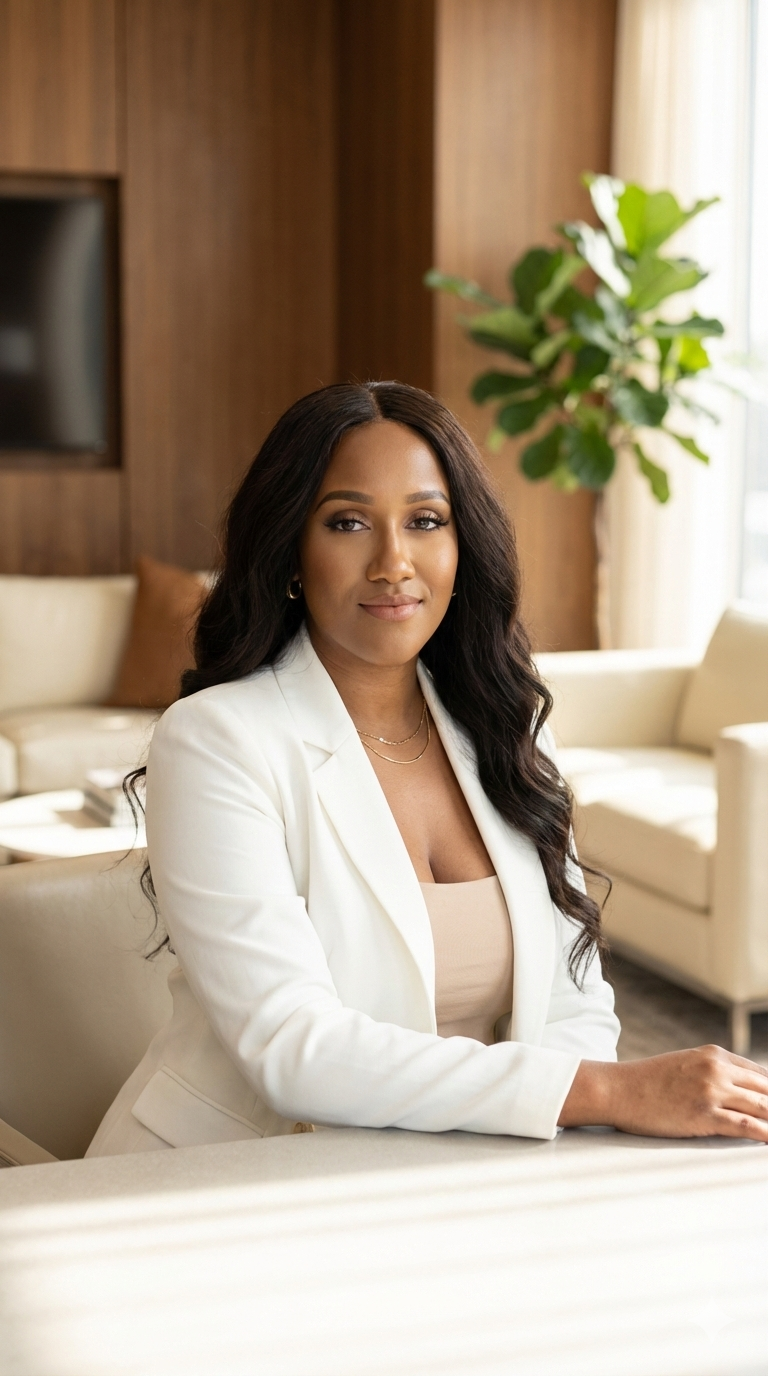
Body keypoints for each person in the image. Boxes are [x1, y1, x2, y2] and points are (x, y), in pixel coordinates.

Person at [87, 382, 768, 1156]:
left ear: (460, 548)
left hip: (451, 1169)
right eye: (348, 523)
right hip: (224, 1178)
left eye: (425, 521)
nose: (393, 562)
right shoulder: (217, 740)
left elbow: (572, 1005)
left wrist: (592, 1148)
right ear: (291, 555)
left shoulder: (506, 733)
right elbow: (291, 1046)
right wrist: (604, 1093)